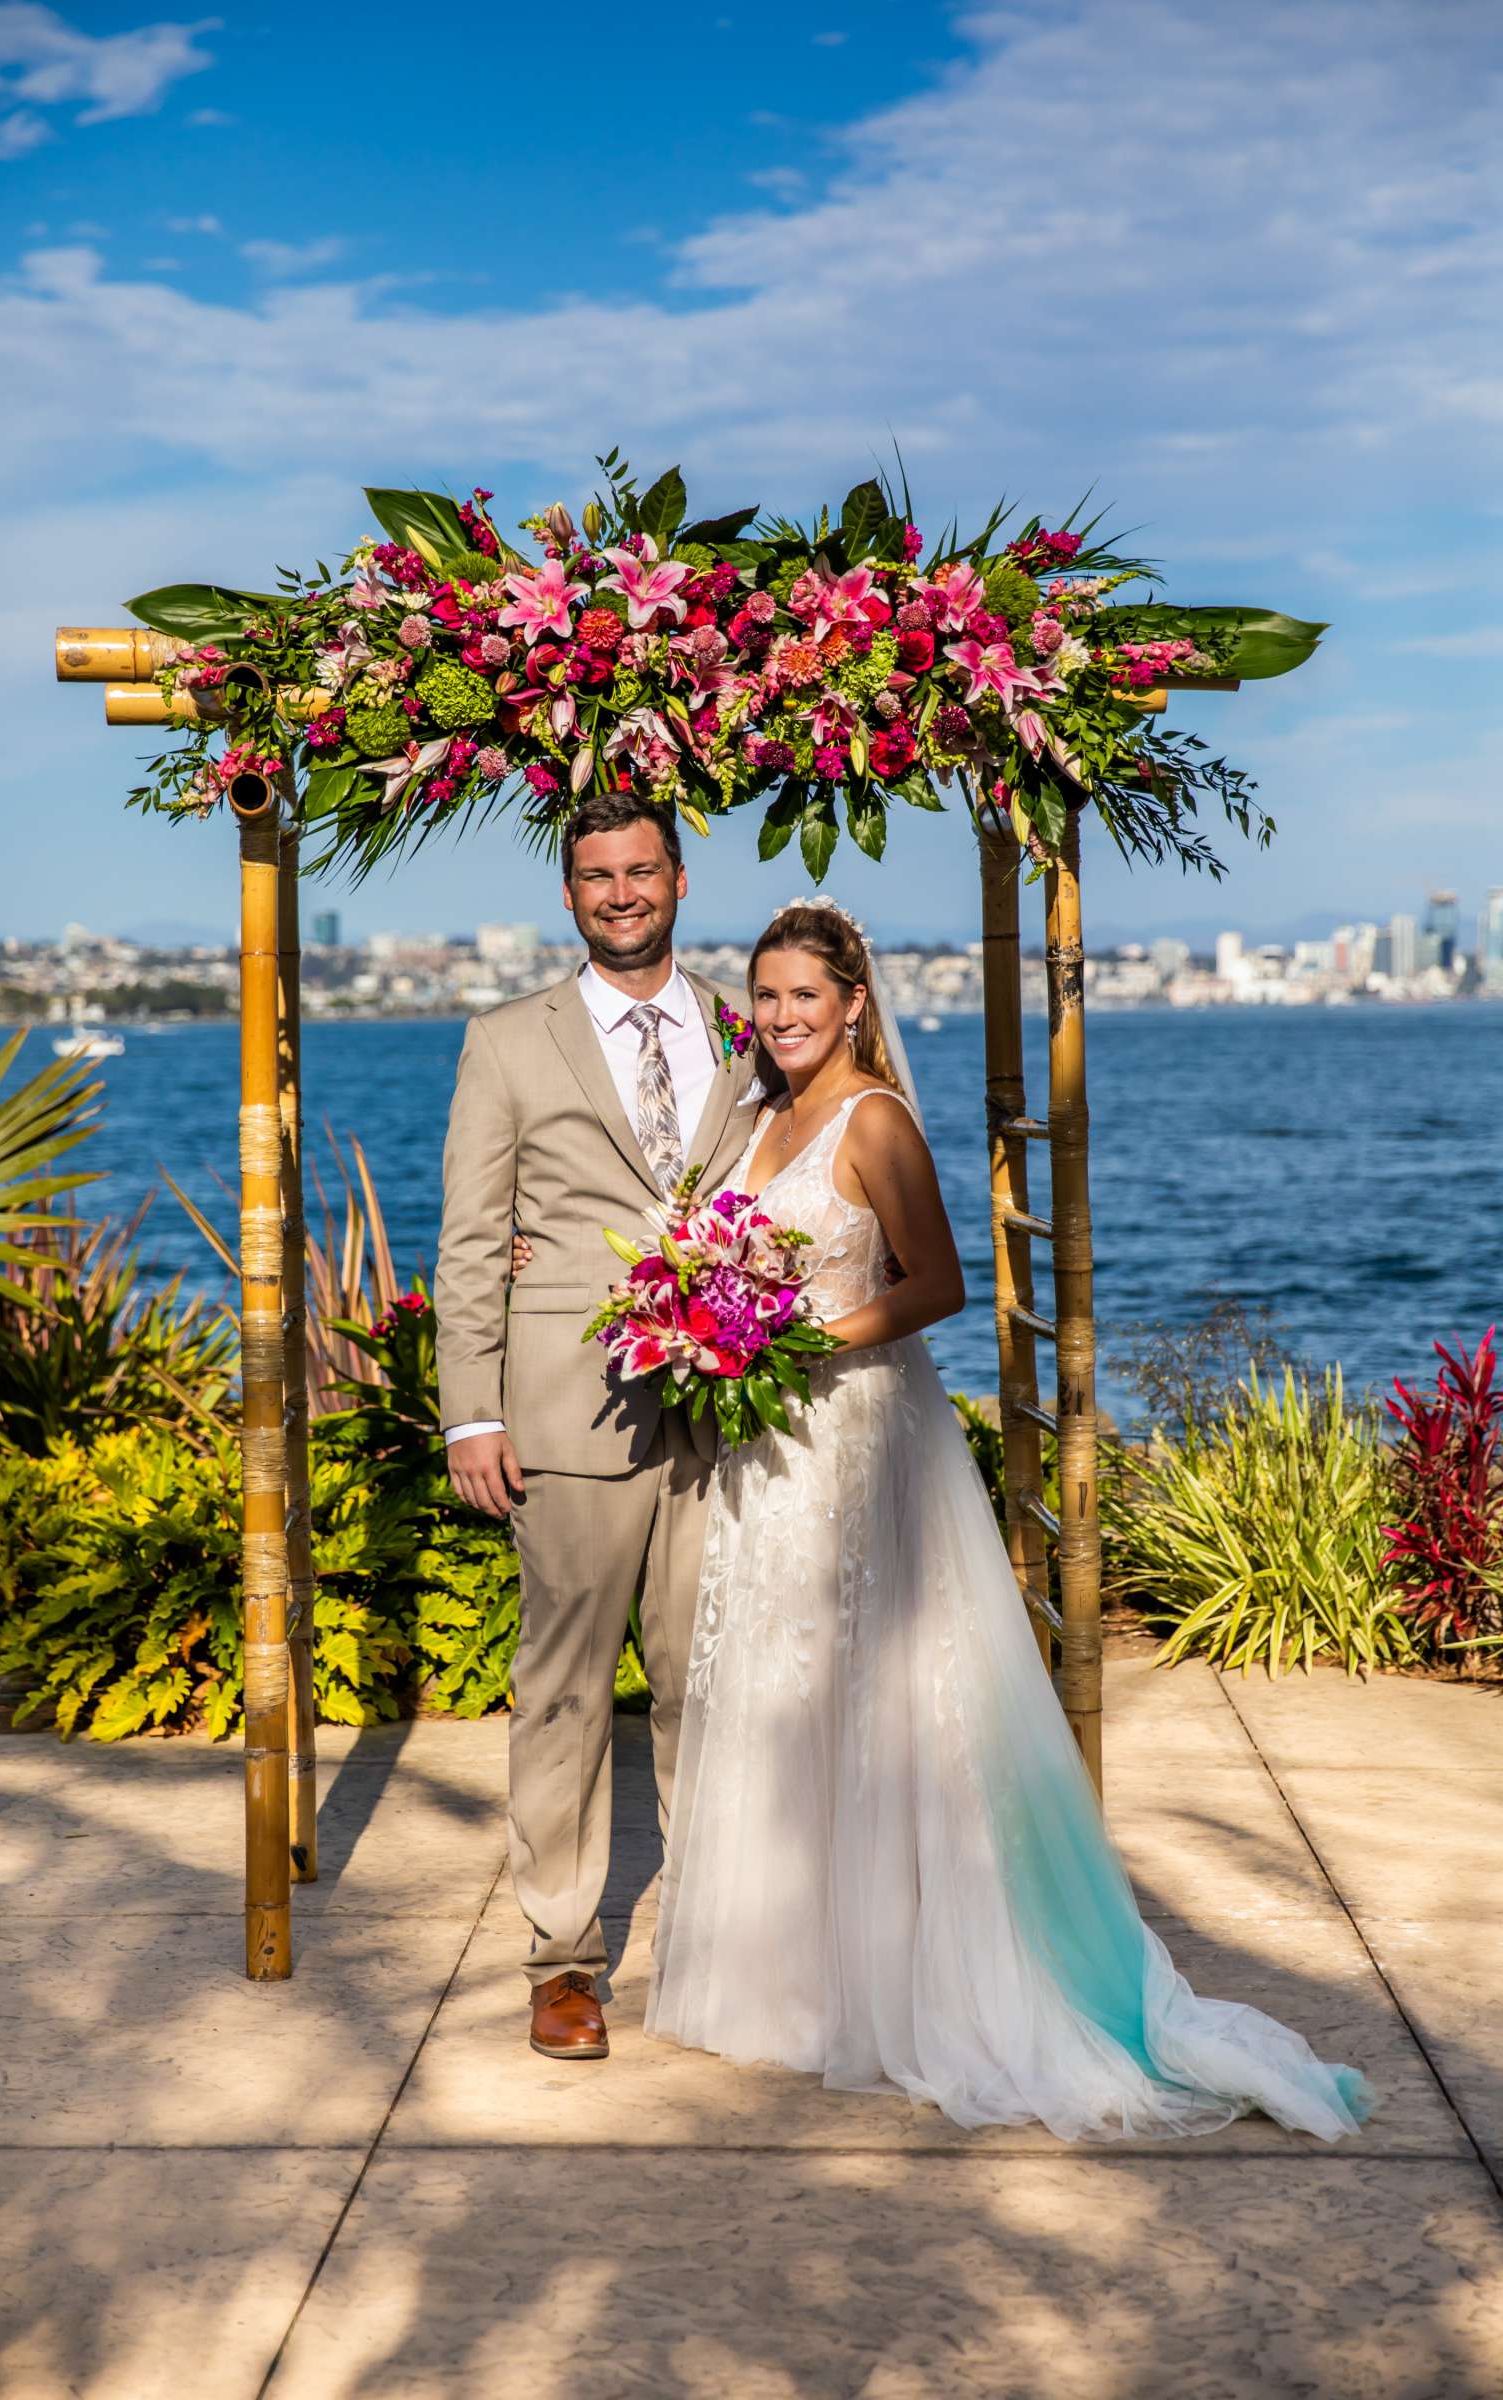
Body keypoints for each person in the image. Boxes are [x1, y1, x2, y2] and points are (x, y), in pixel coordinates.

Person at [642, 896, 1377, 2143]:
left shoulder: (873, 1120)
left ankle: (920, 1979)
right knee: (782, 1687)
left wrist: (793, 1331)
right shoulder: (762, 1115)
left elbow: (937, 1283)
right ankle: (796, 1977)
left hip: (861, 1429)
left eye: (802, 998)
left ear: (853, 1003)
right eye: (763, 998)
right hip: (773, 1442)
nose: (780, 1019)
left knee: (879, 1696)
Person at [433, 792, 757, 2062]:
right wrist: (473, 1409)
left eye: (640, 871)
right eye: (595, 876)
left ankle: (725, 1944)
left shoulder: (747, 1026)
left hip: (730, 1412)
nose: (620, 893)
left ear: (678, 879)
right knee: (563, 1694)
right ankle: (562, 1961)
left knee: (709, 1685)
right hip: (569, 1417)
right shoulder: (509, 1040)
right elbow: (470, 1240)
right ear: (568, 894)